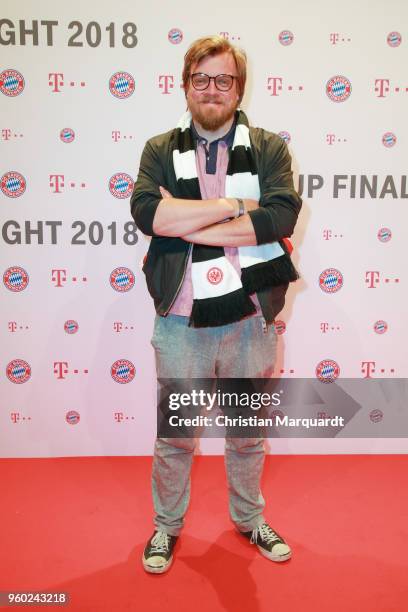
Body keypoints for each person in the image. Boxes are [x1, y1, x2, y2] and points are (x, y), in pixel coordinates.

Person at [130, 35, 302, 574]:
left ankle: (250, 519)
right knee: (176, 436)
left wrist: (189, 219)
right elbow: (149, 217)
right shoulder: (160, 149)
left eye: (223, 79)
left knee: (247, 434)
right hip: (181, 319)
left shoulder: (269, 147)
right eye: (201, 79)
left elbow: (278, 218)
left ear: (238, 88)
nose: (212, 89)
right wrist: (231, 208)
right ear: (185, 87)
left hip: (251, 317)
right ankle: (166, 527)